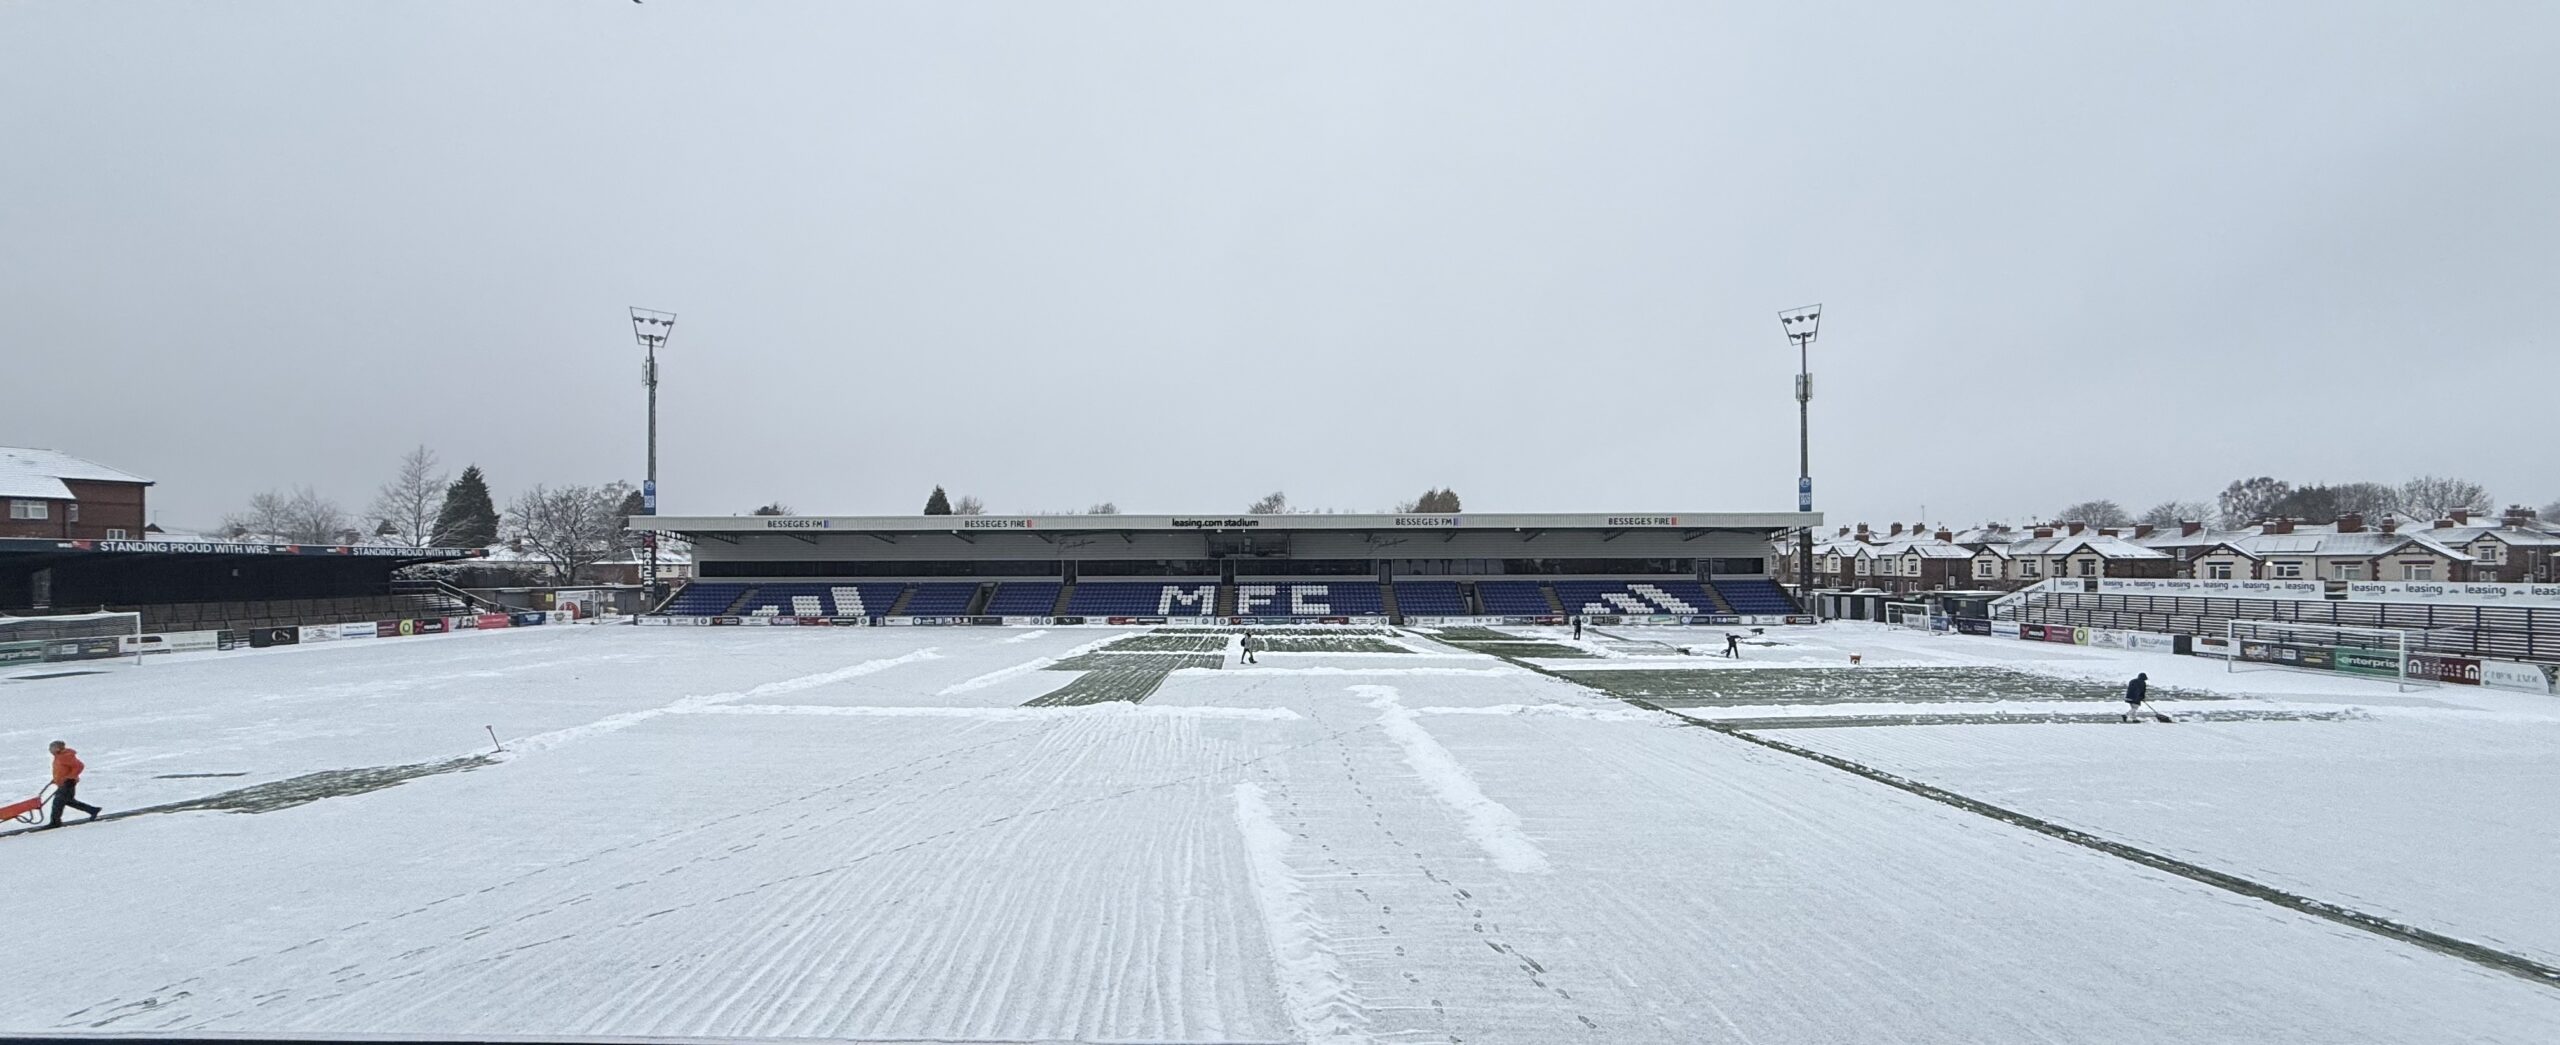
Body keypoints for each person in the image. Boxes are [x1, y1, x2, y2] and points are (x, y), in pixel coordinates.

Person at [45, 740, 100, 828]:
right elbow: (62, 770)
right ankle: (93, 810)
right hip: (64, 782)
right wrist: (56, 779)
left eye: (51, 748)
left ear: (57, 748)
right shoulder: (59, 756)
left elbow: (79, 766)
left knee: (58, 802)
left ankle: (55, 822)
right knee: (68, 801)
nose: (49, 750)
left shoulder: (65, 756)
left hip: (68, 783)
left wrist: (71, 777)